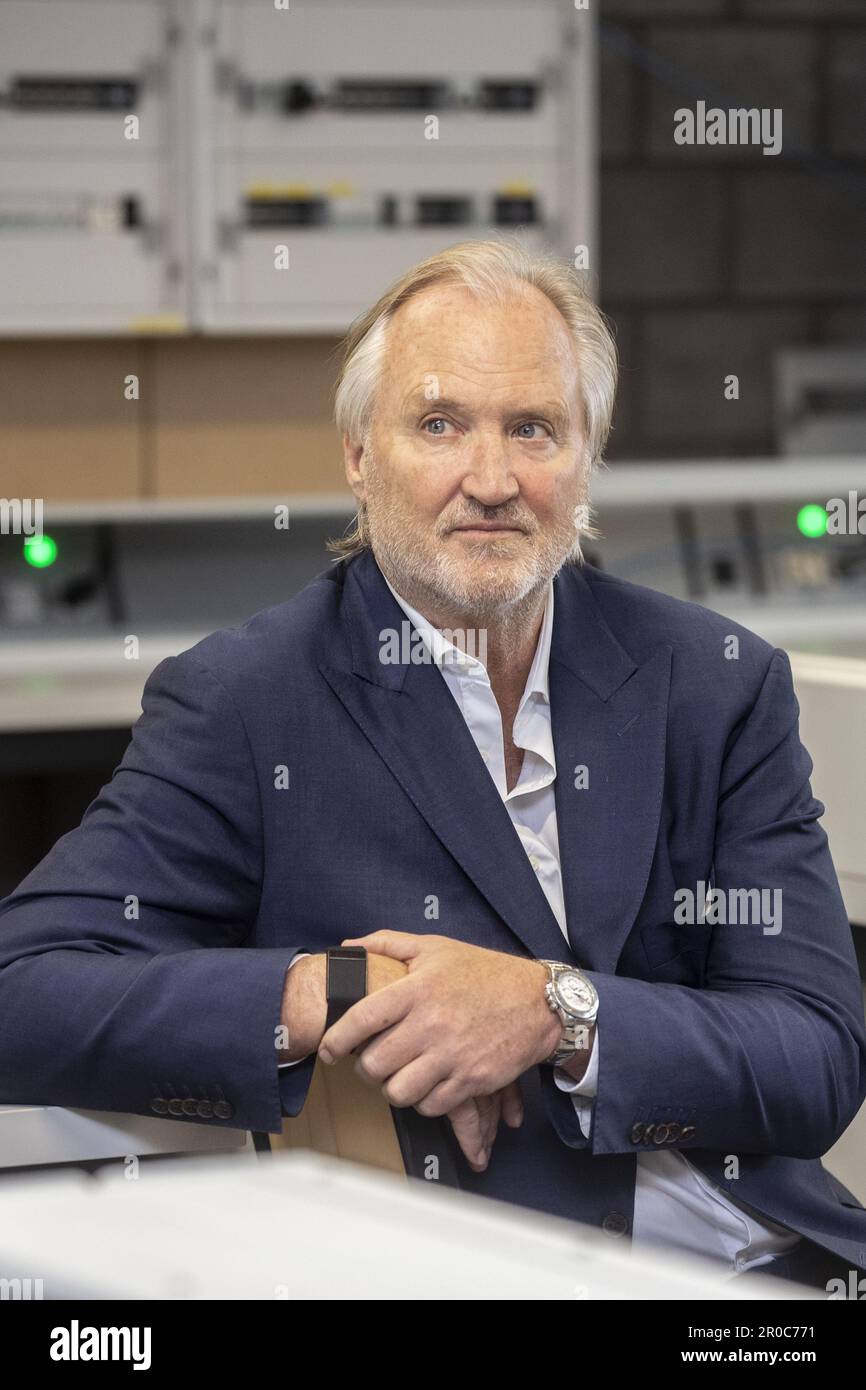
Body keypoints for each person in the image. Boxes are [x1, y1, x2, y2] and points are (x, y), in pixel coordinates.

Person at [1, 239, 864, 1292]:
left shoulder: (713, 684)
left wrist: (555, 1010)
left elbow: (815, 1055)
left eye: (532, 429)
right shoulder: (250, 700)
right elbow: (25, 990)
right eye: (439, 424)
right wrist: (332, 989)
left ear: (586, 455)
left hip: (767, 1272)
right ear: (359, 457)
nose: (490, 480)